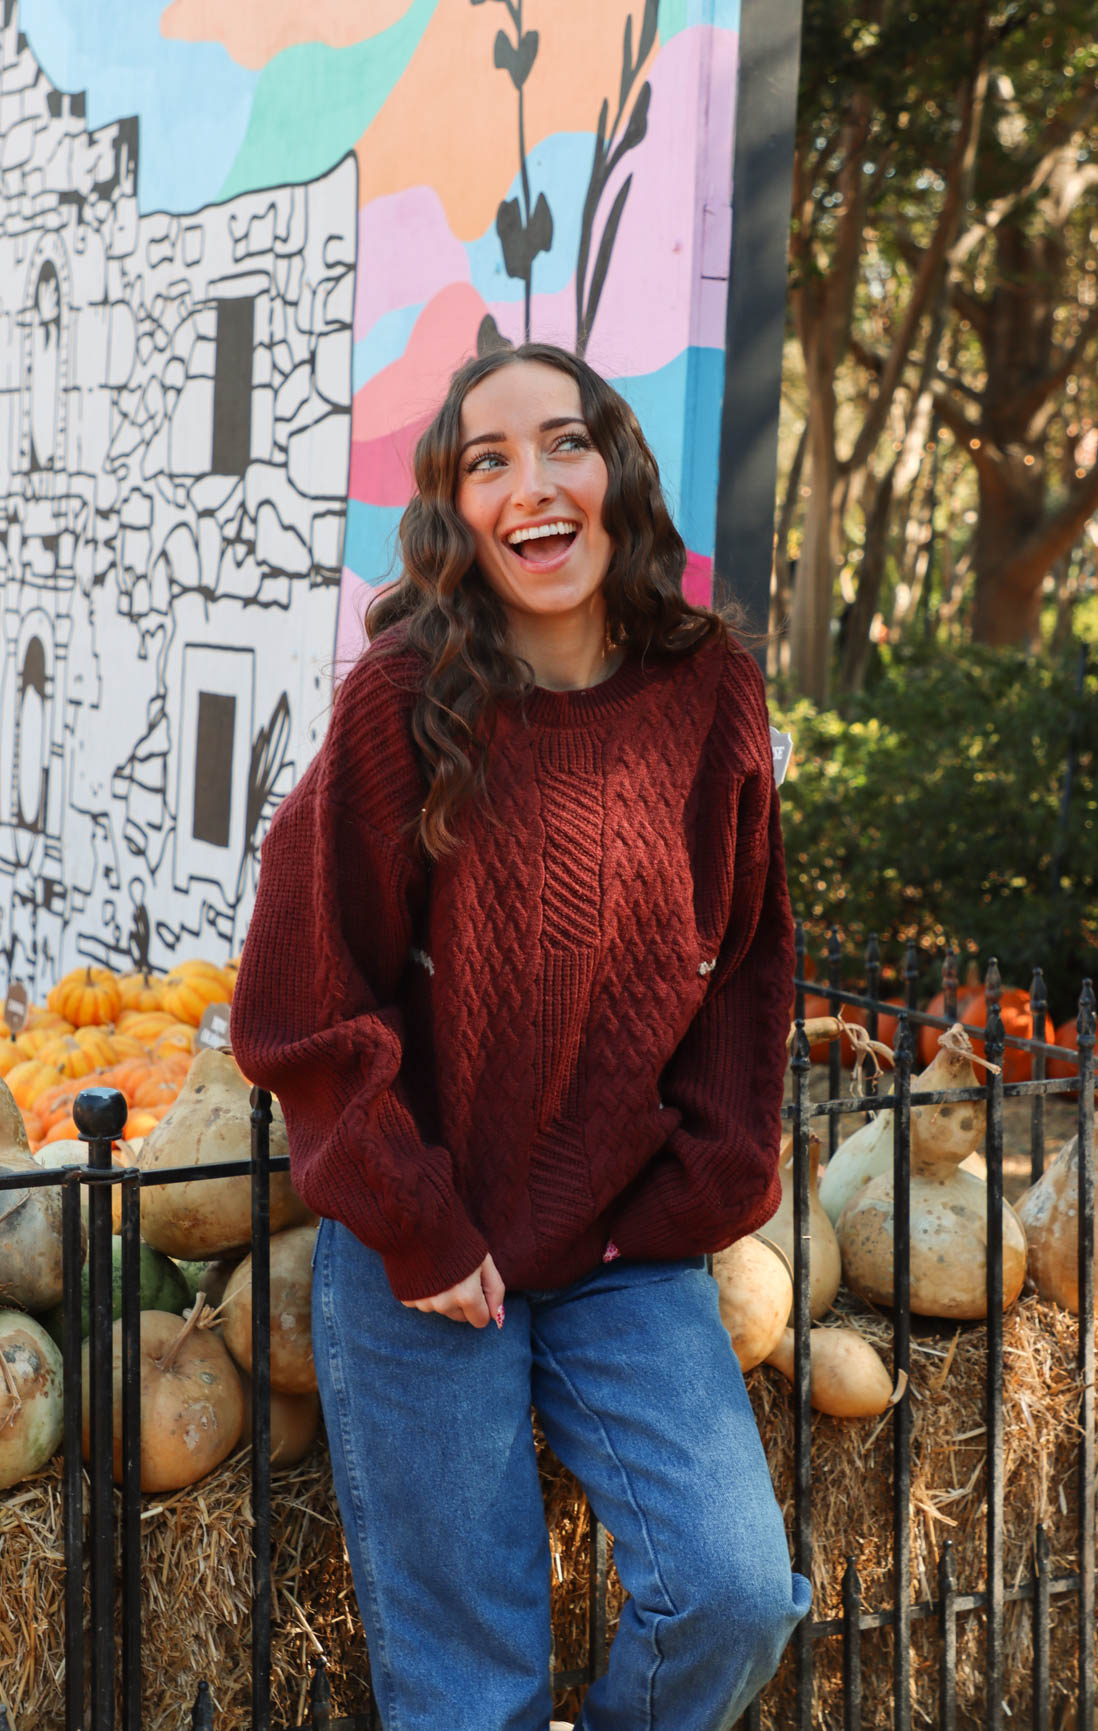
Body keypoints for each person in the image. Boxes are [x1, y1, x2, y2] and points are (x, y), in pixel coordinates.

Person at [230, 341, 811, 1731]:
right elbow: (303, 998)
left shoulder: (709, 689)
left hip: (623, 1244)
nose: (531, 483)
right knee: (470, 1691)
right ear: (454, 509)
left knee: (733, 1594)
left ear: (613, 471)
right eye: (487, 461)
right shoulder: (399, 704)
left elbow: (744, 971)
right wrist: (417, 1222)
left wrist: (702, 1189)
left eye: (563, 442)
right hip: (424, 1253)